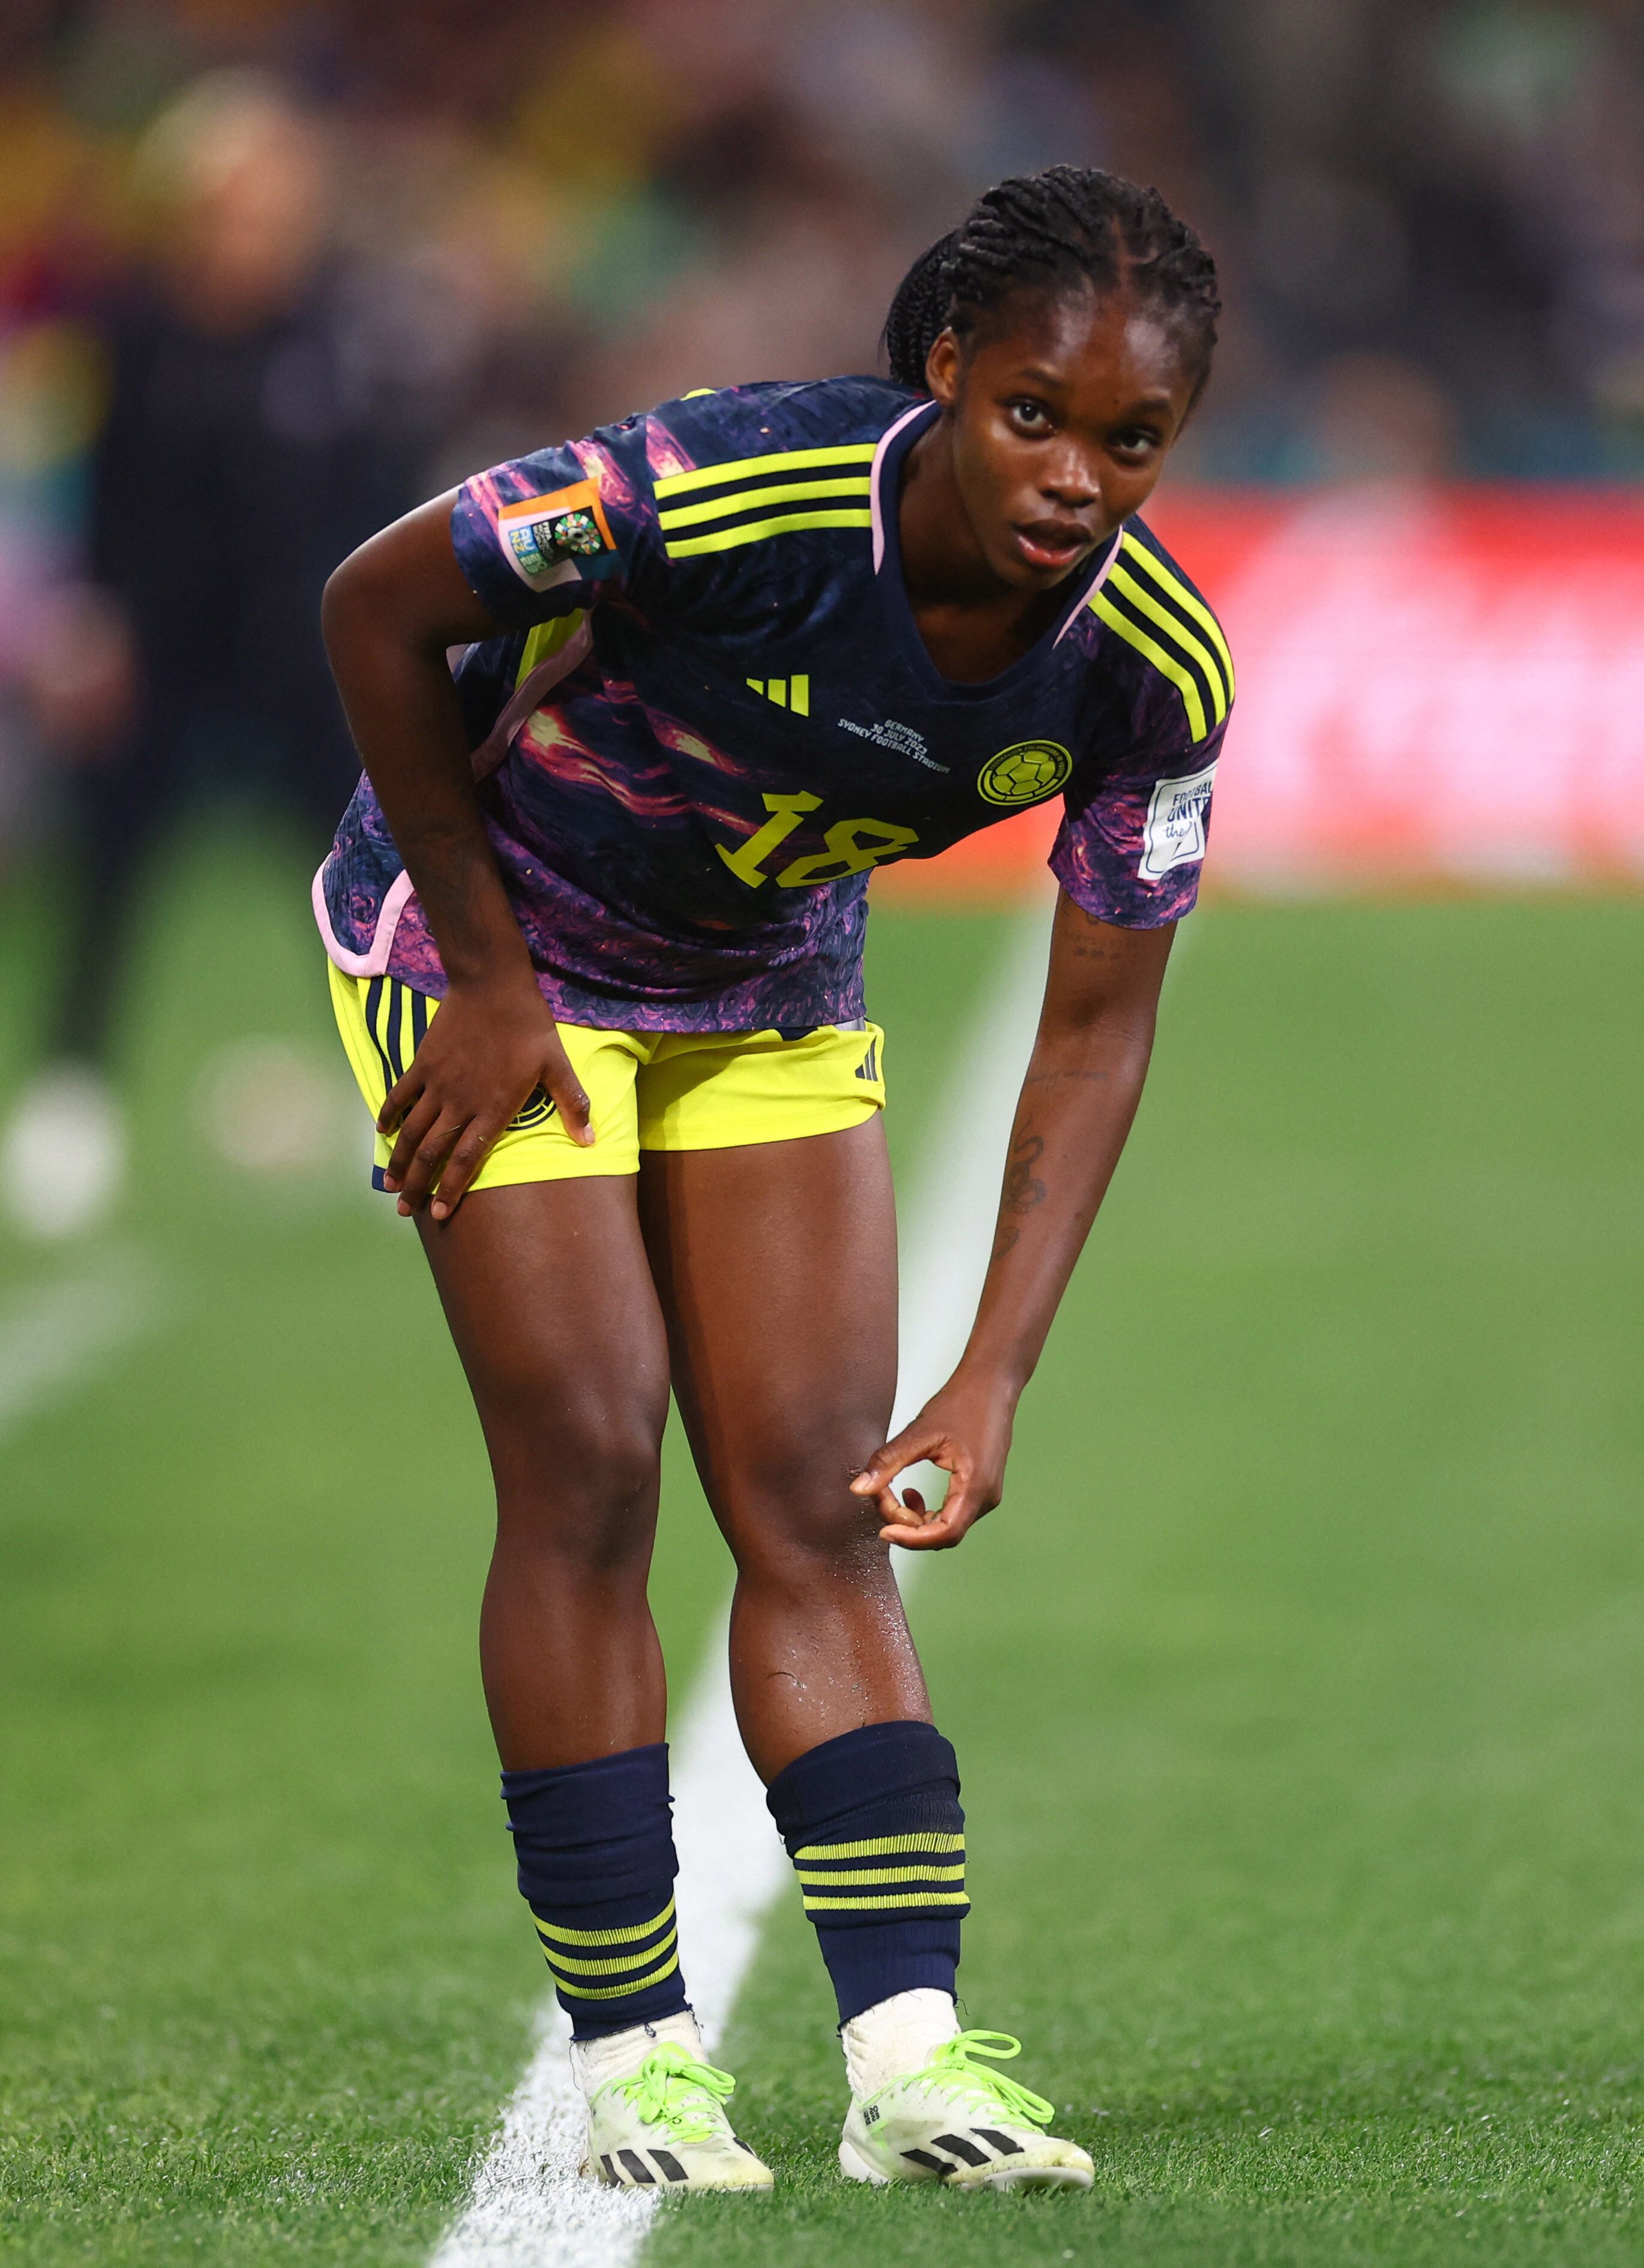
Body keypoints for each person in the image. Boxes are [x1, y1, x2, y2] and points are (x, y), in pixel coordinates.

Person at [317, 166, 1229, 2195]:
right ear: (944, 372)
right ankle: (635, 2053)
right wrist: (476, 973)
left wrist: (990, 1374)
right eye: (1034, 416)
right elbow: (379, 601)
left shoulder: (1150, 675)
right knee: (587, 1461)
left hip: (761, 985)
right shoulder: (723, 488)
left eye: (1132, 441)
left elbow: (1097, 1031)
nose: (1078, 476)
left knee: (818, 1498)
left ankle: (911, 2060)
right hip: (496, 958)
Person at [1, 75, 421, 1237]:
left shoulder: (331, 337)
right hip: (157, 647)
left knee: (356, 882)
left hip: (305, 657)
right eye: (245, 205)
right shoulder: (130, 336)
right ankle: (68, 1104)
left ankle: (397, 1098)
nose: (266, 230)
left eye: (283, 206)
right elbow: (91, 498)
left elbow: (381, 508)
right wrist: (83, 624)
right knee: (109, 873)